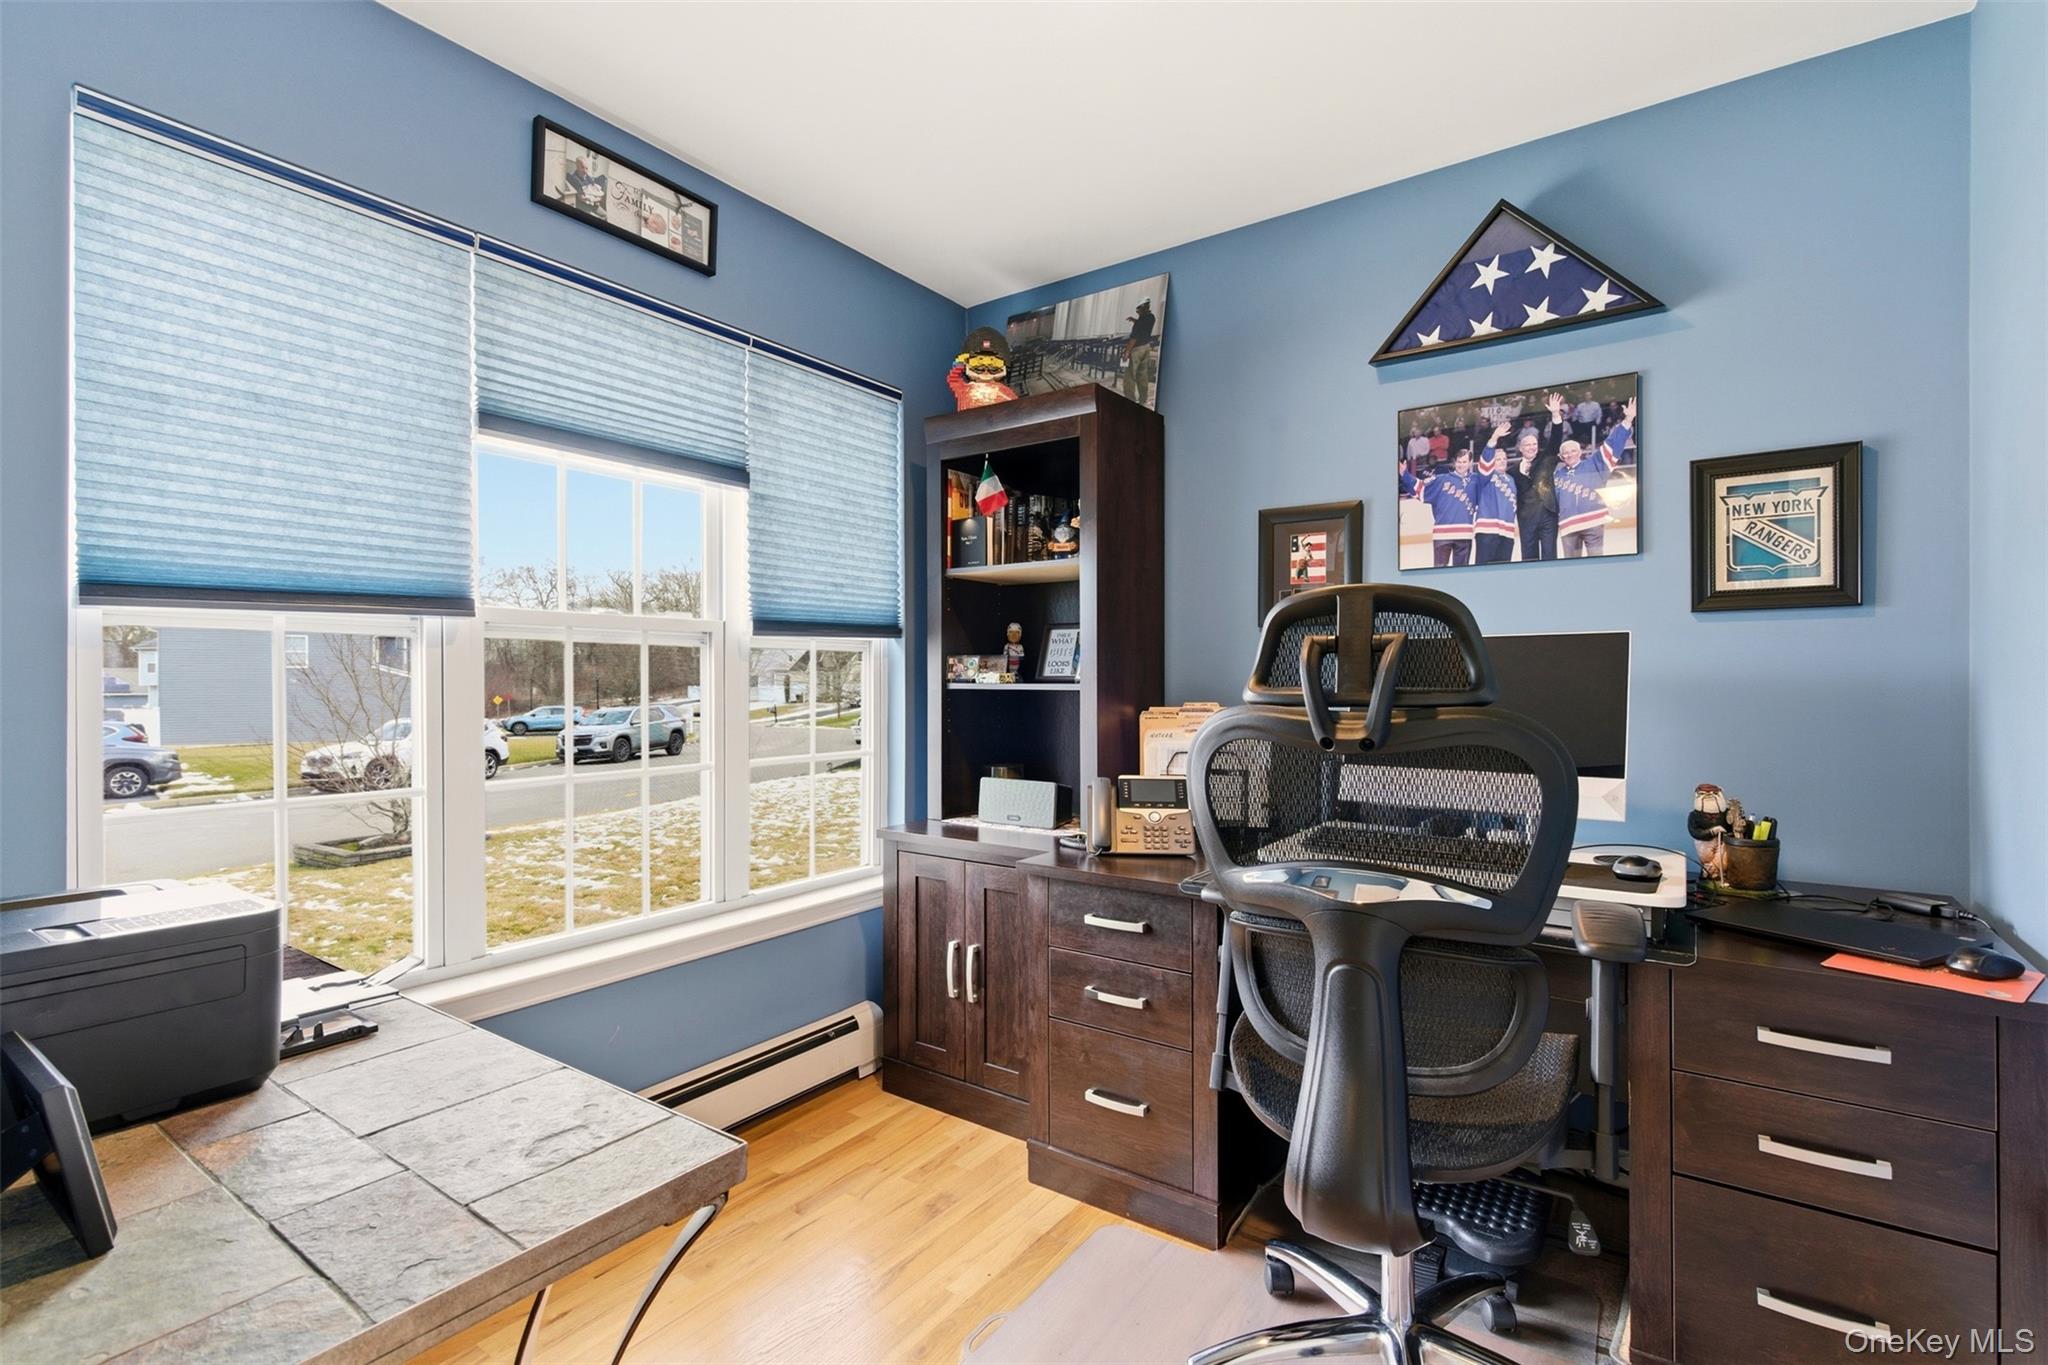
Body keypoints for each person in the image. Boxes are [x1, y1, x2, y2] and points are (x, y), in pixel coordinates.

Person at [1556, 395, 1635, 557]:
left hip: (1593, 523)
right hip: (1568, 526)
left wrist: (1628, 420)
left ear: (1580, 452)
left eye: (1573, 451)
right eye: (1566, 453)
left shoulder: (1595, 464)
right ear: (1561, 457)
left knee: (1597, 562)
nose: (1569, 454)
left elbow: (1613, 444)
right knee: (1571, 568)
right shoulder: (1557, 475)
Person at [1415, 449, 1477, 568]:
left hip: (1465, 534)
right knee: (1439, 571)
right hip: (1442, 535)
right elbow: (1420, 488)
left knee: (1462, 573)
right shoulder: (1441, 479)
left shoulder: (1476, 480)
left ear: (1470, 463)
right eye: (1459, 462)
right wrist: (1405, 475)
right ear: (1454, 462)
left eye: (1464, 462)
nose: (1461, 465)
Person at [1473, 422, 1522, 564]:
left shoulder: (1512, 480)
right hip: (1487, 531)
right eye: (1498, 459)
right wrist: (1494, 437)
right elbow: (1485, 460)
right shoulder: (1485, 475)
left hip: (1507, 533)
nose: (1502, 461)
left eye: (1504, 459)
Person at [1121, 299, 1159, 403]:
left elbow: (1134, 337)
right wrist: (1134, 320)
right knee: (1142, 375)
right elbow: (1144, 326)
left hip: (1136, 350)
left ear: (1142, 308)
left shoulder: (1141, 321)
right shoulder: (1151, 317)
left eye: (1138, 311)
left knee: (1129, 376)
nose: (1137, 313)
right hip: (1146, 348)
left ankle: (1130, 400)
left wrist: (1127, 352)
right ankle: (1143, 400)